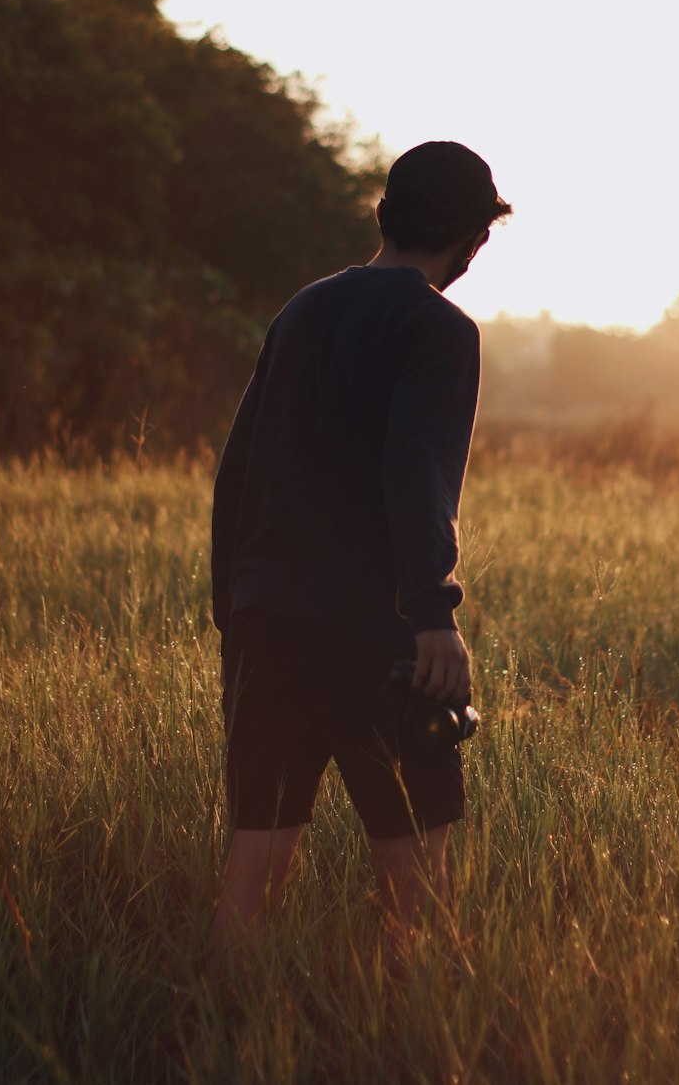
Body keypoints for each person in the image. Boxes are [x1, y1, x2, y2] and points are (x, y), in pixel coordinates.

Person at [209, 141, 511, 948]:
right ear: (474, 240)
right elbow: (418, 476)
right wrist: (433, 615)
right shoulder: (440, 330)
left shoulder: (302, 310)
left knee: (254, 864)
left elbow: (236, 472)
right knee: (415, 880)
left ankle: (214, 1032)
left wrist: (234, 615)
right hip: (374, 634)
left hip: (264, 622)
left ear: (383, 215)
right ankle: (407, 1043)